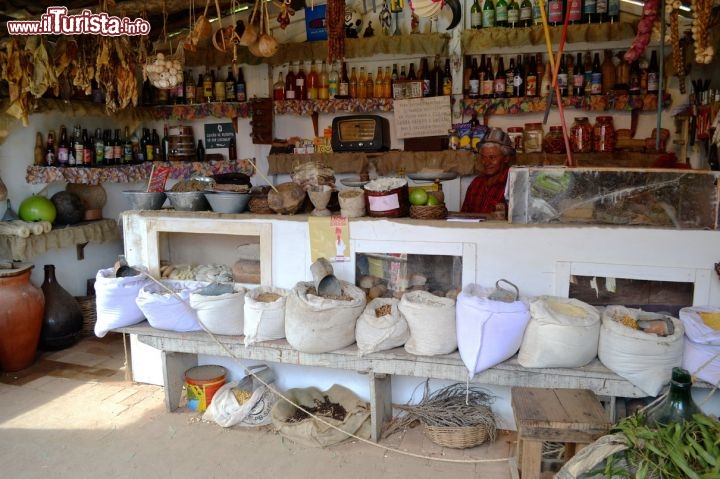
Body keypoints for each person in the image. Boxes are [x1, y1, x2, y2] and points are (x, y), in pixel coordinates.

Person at [460, 127, 516, 215]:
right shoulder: (476, 183)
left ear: (506, 158)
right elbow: (464, 215)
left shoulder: (513, 185)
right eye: (483, 157)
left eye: (492, 157)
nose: (486, 162)